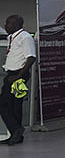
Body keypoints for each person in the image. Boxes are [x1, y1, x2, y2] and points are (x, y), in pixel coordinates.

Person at [1, 15, 36, 146]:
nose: (6, 26)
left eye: (8, 24)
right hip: (11, 74)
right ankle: (16, 135)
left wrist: (19, 75)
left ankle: (16, 129)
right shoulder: (11, 37)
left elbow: (31, 57)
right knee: (13, 105)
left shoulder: (25, 37)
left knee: (4, 103)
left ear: (17, 24)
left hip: (18, 75)